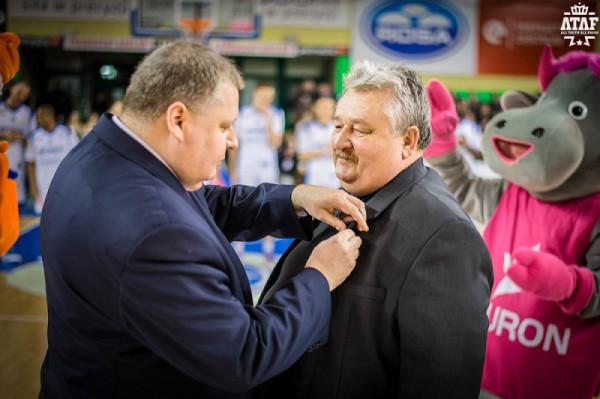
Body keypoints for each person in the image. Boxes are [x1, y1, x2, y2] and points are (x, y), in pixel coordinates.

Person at [39, 41, 368, 399]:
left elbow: (203, 203)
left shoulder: (105, 154)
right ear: (178, 120)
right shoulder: (156, 235)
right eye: (224, 125)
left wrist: (294, 198)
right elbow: (245, 355)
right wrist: (319, 276)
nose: (233, 141)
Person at [258, 61, 493, 398]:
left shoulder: (444, 238)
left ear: (408, 141)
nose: (339, 141)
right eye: (338, 125)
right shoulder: (346, 198)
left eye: (360, 130)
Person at [25, 104, 78, 214]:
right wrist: (33, 188)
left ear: (49, 116)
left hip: (64, 188)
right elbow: (30, 163)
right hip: (42, 189)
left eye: (40, 116)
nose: (38, 120)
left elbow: (77, 158)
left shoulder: (67, 132)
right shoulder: (34, 137)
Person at [0, 81, 35, 204]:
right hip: (1, 154)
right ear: (12, 88)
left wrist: (20, 137)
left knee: (14, 197)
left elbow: (32, 140)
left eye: (24, 94)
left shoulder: (27, 112)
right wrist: (3, 134)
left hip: (17, 158)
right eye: (19, 91)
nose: (21, 95)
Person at [296, 97, 338, 188]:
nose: (325, 112)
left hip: (335, 177)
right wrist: (325, 151)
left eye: (328, 108)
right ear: (315, 109)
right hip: (313, 176)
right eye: (322, 108)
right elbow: (301, 155)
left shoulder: (339, 127)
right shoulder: (305, 127)